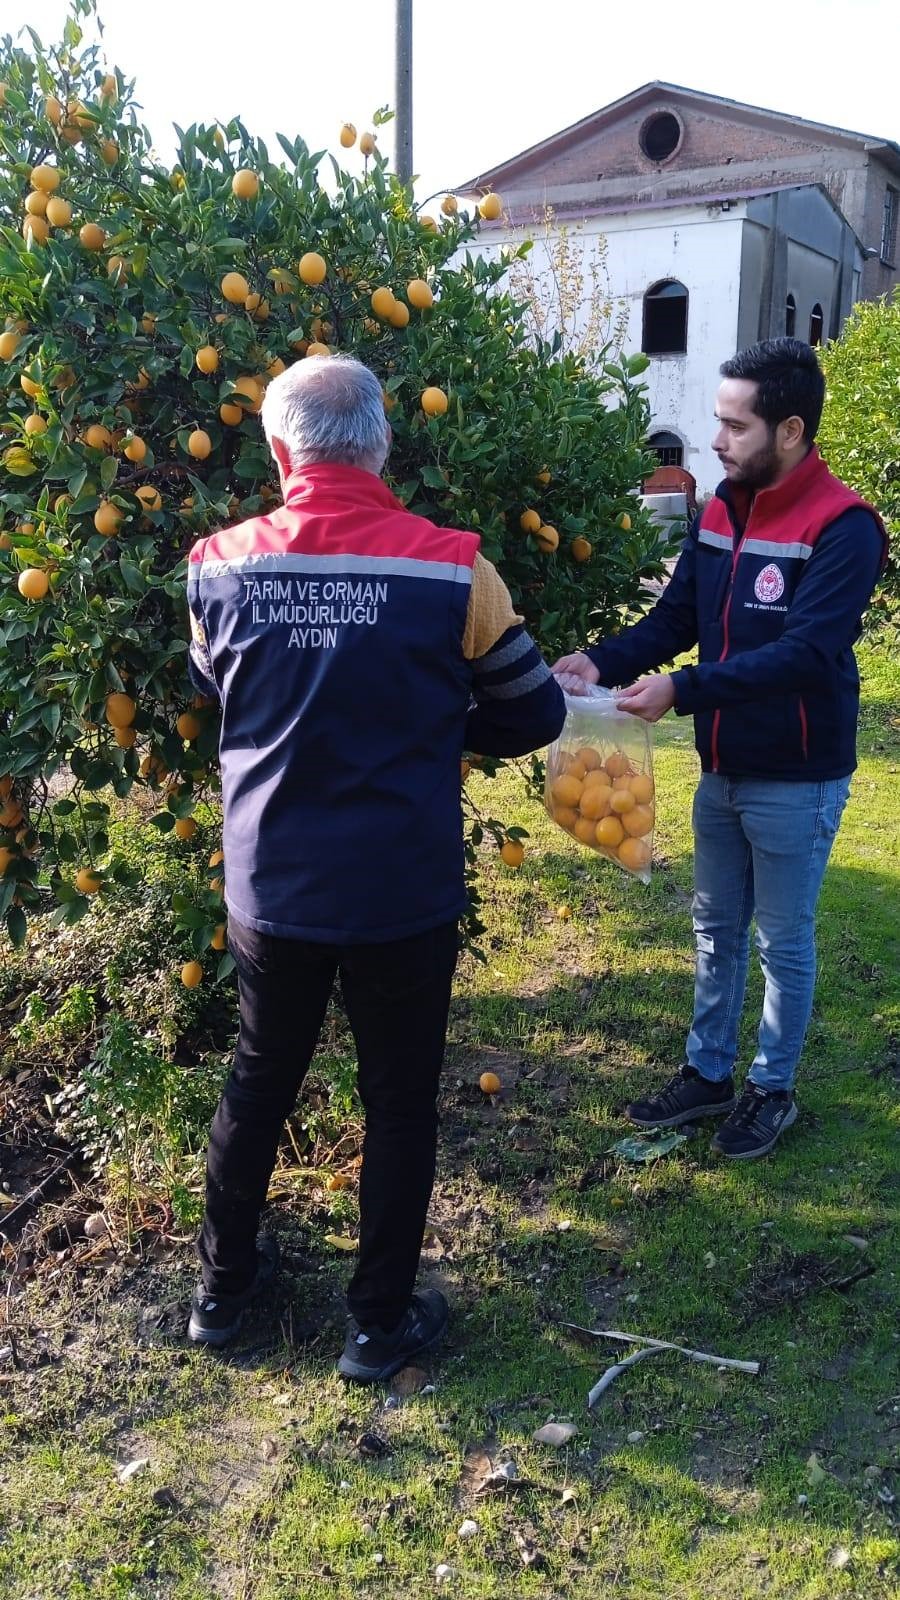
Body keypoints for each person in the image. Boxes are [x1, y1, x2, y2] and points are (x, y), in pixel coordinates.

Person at [184, 355, 565, 1373]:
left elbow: (224, 688)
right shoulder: (454, 569)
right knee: (398, 1098)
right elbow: (534, 711)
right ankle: (376, 1324)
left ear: (278, 452)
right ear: (384, 445)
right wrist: (439, 722)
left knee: (259, 1079)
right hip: (401, 884)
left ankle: (220, 1295)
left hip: (275, 883)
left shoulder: (214, 565)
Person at [553, 338, 885, 1159]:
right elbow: (676, 620)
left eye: (736, 427)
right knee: (713, 929)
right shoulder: (718, 511)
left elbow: (807, 654)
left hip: (796, 776)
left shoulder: (844, 528)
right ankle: (707, 1076)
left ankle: (772, 1089)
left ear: (793, 431)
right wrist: (604, 659)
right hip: (722, 767)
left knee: (783, 940)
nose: (718, 441)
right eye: (717, 423)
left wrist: (684, 690)